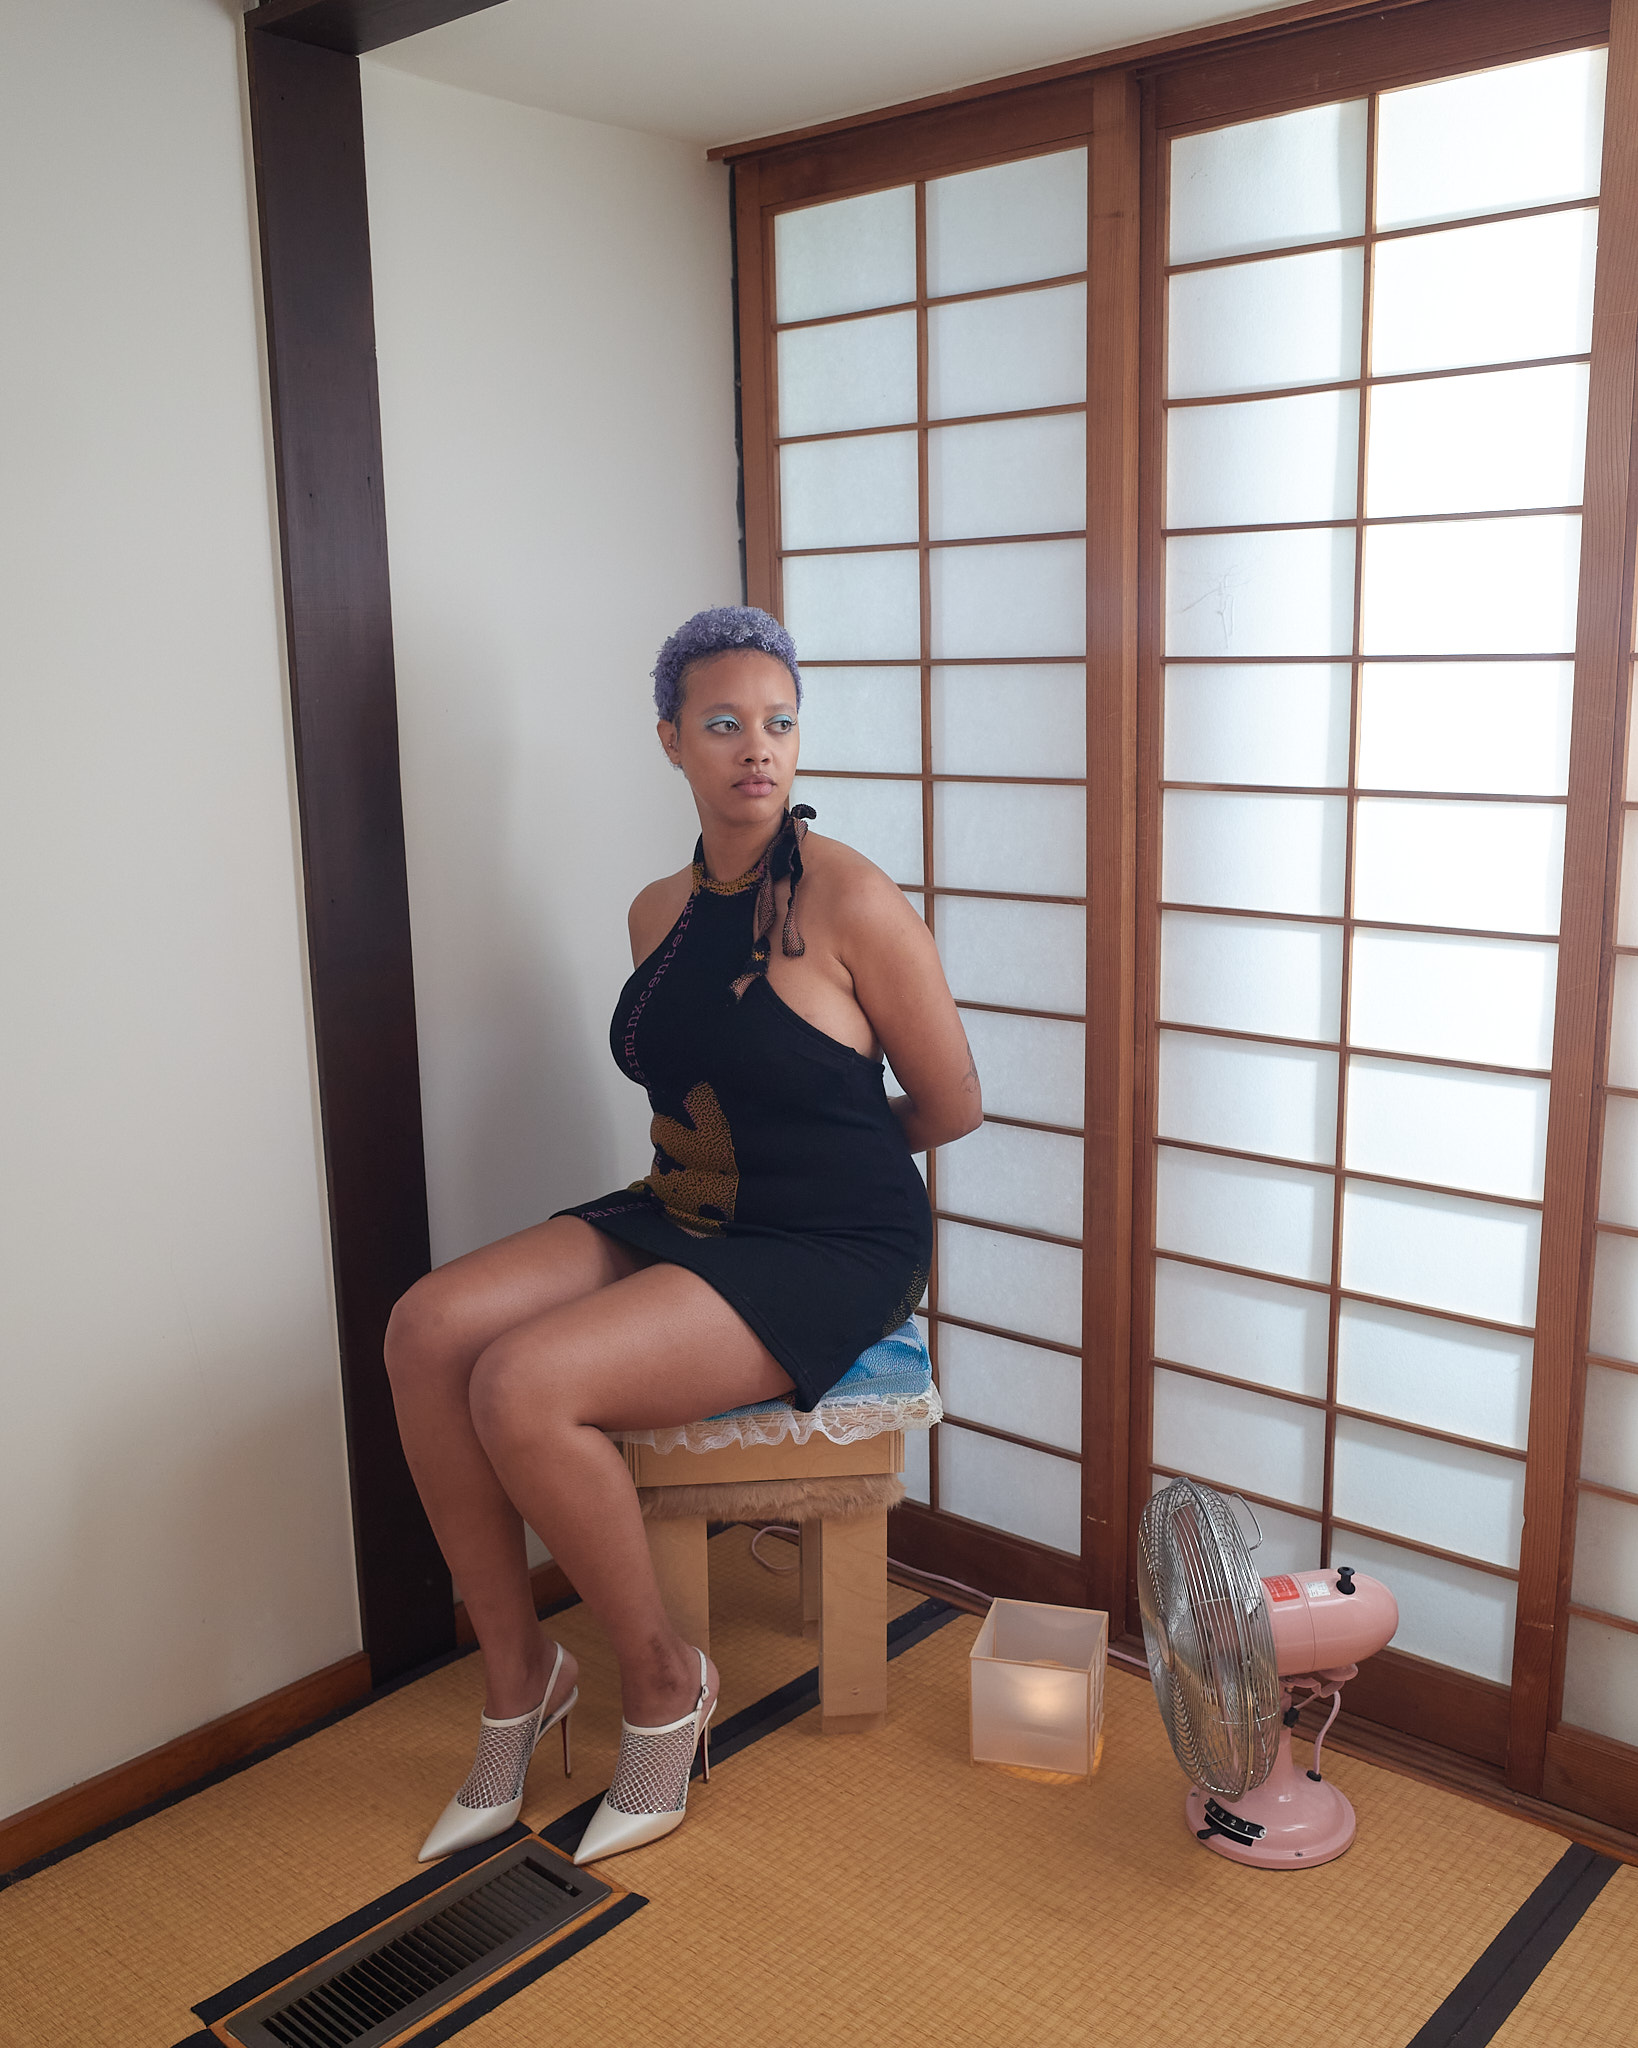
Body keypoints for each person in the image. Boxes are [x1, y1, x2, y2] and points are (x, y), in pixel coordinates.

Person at [385, 605, 980, 1867]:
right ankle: (521, 1676)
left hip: (827, 1239)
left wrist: (827, 1152)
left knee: (525, 1383)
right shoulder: (657, 911)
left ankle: (661, 1683)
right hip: (690, 1203)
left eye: (777, 723)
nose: (755, 749)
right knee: (427, 1326)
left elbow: (951, 1104)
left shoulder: (852, 898)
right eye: (722, 724)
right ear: (672, 741)